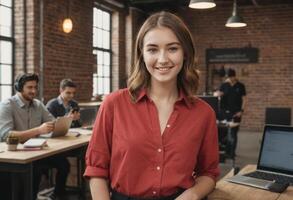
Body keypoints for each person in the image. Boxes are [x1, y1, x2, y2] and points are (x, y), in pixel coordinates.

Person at [84, 11, 219, 200]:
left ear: (185, 53)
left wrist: (193, 194)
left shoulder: (204, 114)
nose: (162, 59)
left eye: (172, 48)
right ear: (142, 54)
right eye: (153, 49)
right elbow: (96, 170)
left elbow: (209, 172)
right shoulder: (114, 104)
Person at [0, 73, 70, 200]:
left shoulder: (38, 104)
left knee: (64, 164)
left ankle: (58, 195)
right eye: (29, 87)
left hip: (35, 151)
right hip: (15, 153)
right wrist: (38, 130)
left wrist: (61, 124)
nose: (33, 91)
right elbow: (7, 135)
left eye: (35, 87)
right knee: (34, 171)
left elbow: (53, 122)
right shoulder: (7, 105)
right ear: (19, 87)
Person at [215, 68, 246, 158]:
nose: (230, 79)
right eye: (229, 77)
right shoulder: (224, 85)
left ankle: (232, 153)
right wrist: (218, 94)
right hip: (225, 112)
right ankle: (226, 152)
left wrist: (242, 111)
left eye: (232, 77)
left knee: (233, 133)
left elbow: (244, 99)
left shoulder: (240, 86)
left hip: (237, 112)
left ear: (235, 76)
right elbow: (217, 95)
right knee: (224, 132)